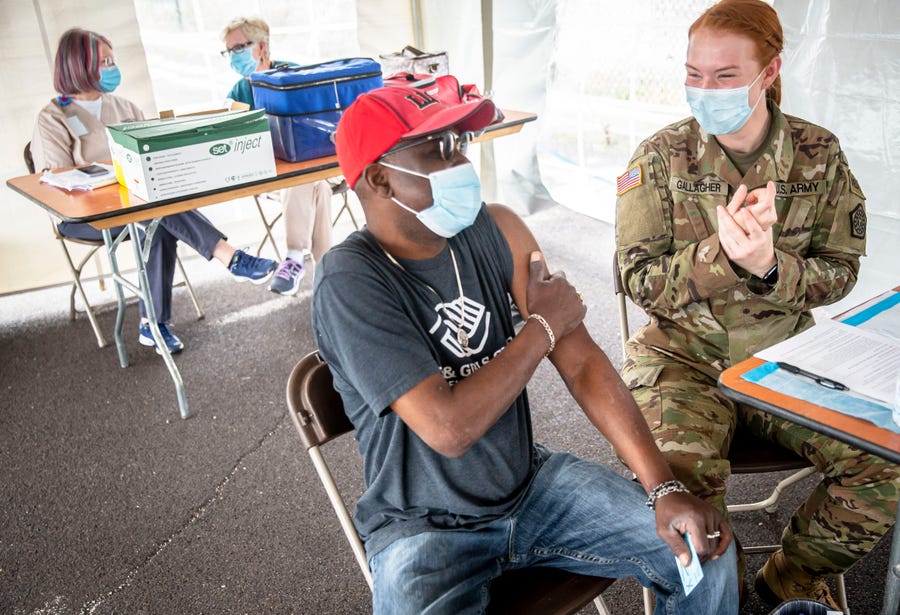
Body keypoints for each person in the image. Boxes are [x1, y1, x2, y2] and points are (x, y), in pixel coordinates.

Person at [311, 85, 739, 614]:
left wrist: (661, 487)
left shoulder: (499, 229)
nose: (461, 161)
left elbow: (581, 363)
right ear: (378, 177)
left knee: (704, 552)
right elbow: (450, 429)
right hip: (423, 529)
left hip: (532, 489)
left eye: (459, 143)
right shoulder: (349, 279)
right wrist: (539, 329)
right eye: (436, 150)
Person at [614, 0, 898, 608]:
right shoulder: (660, 158)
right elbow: (638, 281)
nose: (704, 90)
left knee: (885, 467)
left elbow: (840, 272)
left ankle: (780, 588)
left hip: (785, 359)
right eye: (694, 74)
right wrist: (724, 257)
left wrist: (771, 267)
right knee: (682, 499)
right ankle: (718, 599)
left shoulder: (817, 154)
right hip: (681, 362)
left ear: (769, 72)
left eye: (724, 76)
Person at [31, 28, 277, 354]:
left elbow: (150, 161)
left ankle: (154, 326)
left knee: (154, 217)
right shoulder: (52, 118)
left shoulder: (126, 108)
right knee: (154, 214)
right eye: (104, 61)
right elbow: (59, 186)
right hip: (84, 216)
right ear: (79, 64)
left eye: (112, 60)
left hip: (136, 207)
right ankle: (228, 258)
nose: (112, 67)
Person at [220, 17, 333, 296]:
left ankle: (295, 256)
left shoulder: (293, 76)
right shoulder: (237, 93)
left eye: (237, 48)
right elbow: (234, 145)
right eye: (228, 51)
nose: (232, 56)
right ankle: (327, 271)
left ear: (260, 47)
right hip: (270, 177)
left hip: (310, 164)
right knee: (317, 186)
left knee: (306, 176)